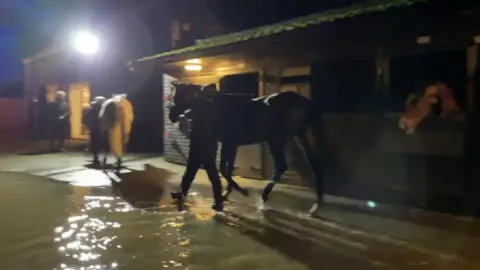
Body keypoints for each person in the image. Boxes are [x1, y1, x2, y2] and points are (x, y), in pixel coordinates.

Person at [171, 84, 224, 212]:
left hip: (201, 144)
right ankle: (217, 200)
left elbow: (186, 105)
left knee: (201, 173)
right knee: (198, 173)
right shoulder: (215, 106)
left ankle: (217, 201)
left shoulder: (202, 105)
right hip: (207, 144)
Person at [83, 96, 107, 165]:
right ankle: (99, 156)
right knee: (100, 142)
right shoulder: (102, 108)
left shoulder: (90, 108)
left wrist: (87, 126)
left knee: (94, 142)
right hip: (100, 127)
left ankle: (95, 156)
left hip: (93, 128)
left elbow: (85, 118)